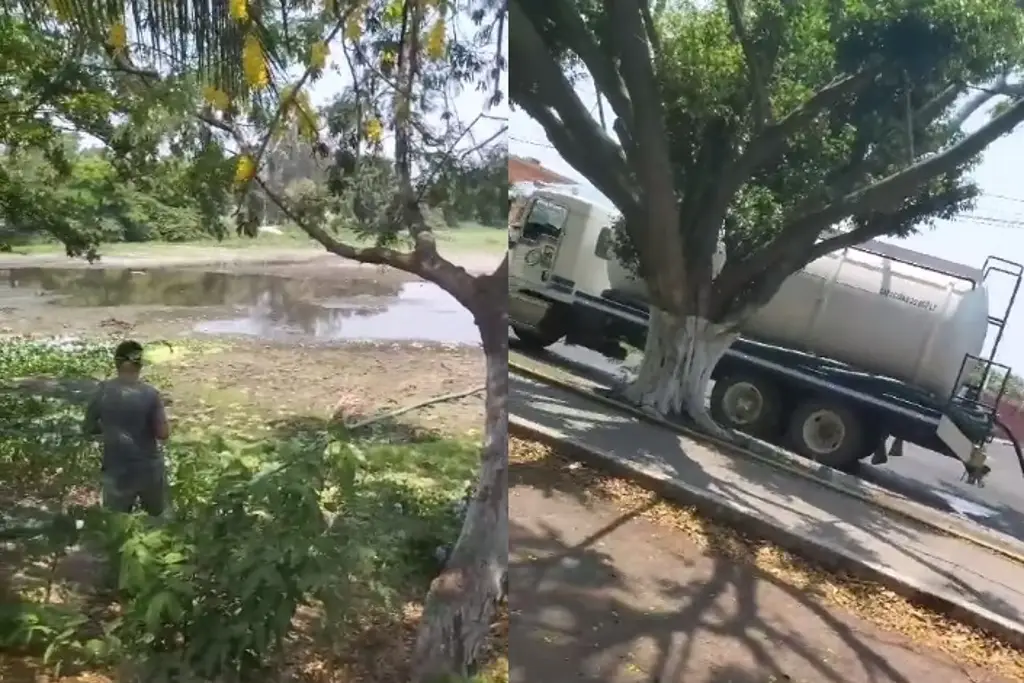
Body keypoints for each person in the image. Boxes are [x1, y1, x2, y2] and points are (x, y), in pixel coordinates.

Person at [83, 340, 170, 516]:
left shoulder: (102, 391)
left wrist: (110, 428)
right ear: (140, 365)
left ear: (116, 362)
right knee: (158, 521)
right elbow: (162, 434)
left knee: (115, 523)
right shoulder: (150, 394)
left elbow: (88, 428)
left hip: (116, 469)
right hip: (148, 469)